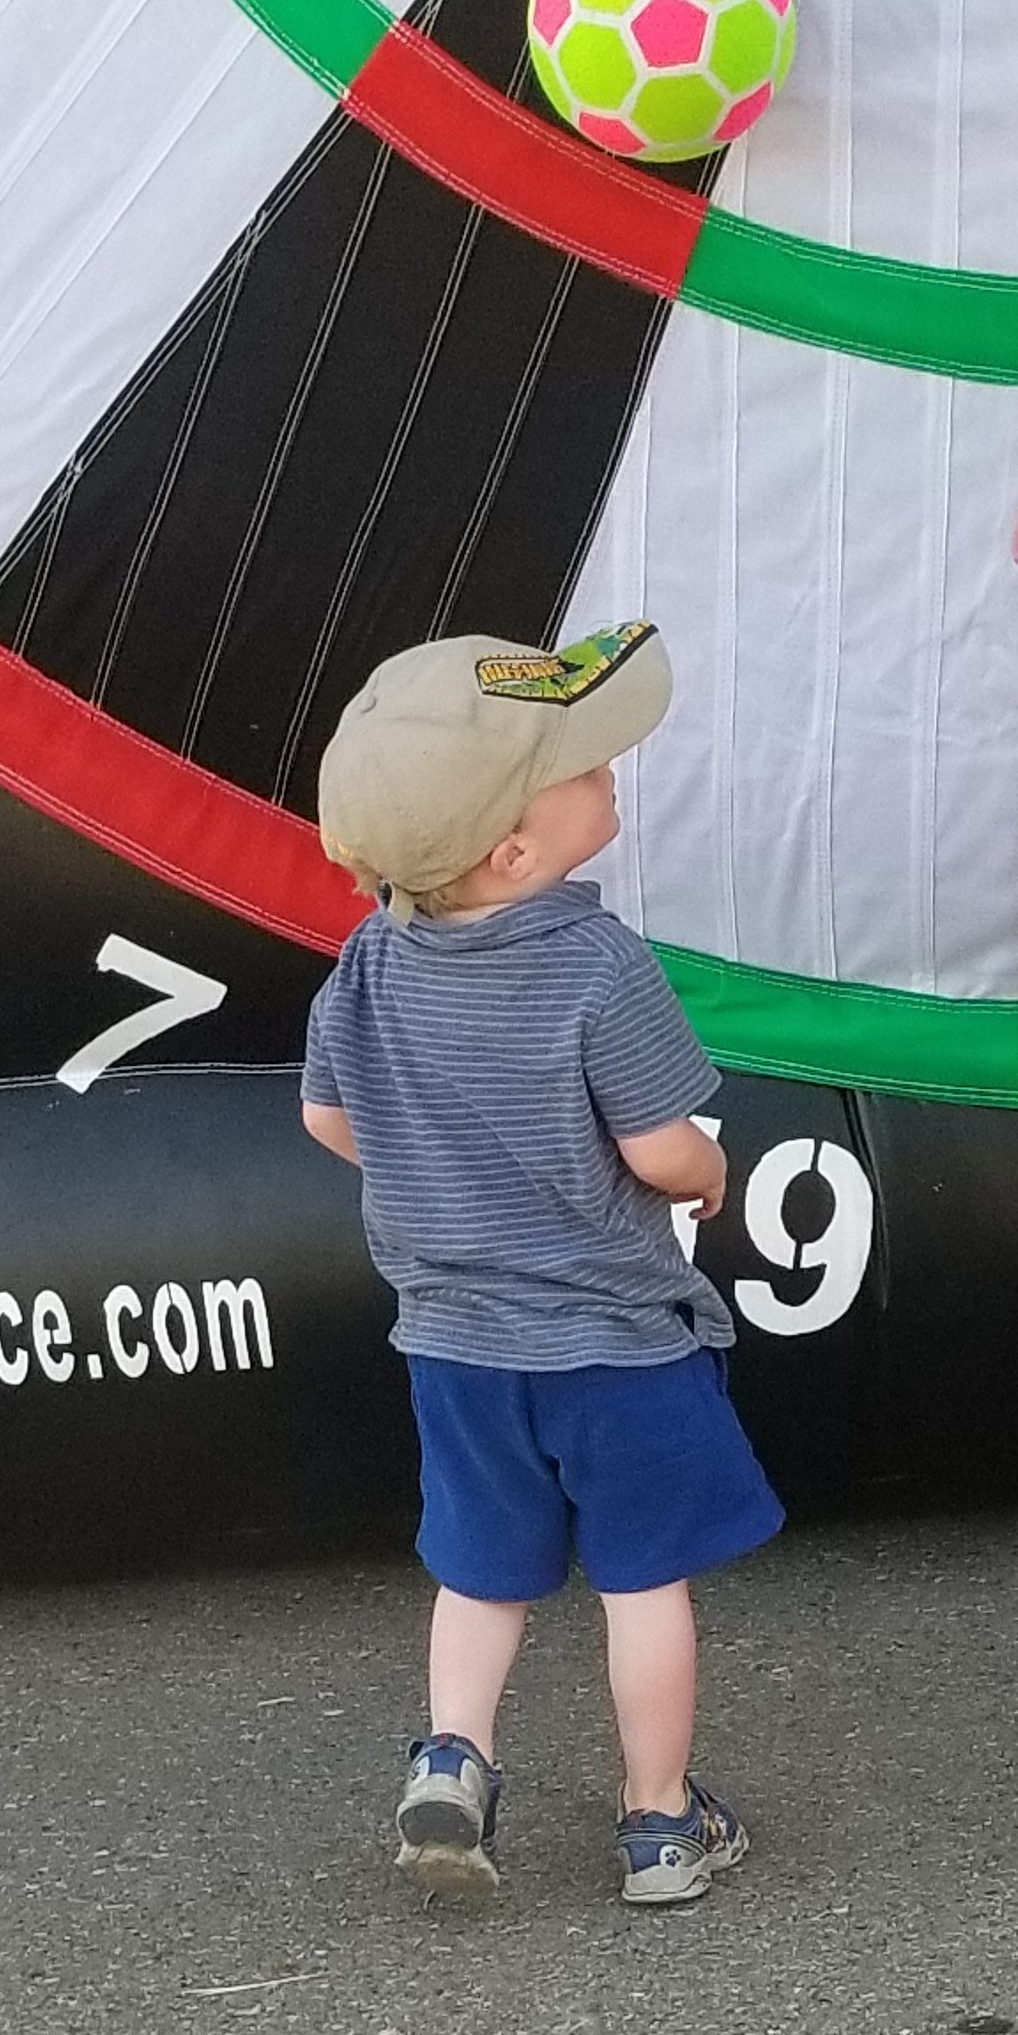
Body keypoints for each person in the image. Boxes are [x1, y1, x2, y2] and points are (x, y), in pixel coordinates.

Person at [300, 625, 781, 1908]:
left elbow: (328, 1122)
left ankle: (455, 1757)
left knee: (481, 1572)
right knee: (641, 1585)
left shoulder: (367, 961)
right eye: (581, 763)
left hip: (454, 1343)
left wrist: (439, 1182)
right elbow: (658, 1147)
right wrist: (710, 1178)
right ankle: (660, 1824)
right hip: (616, 1342)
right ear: (515, 852)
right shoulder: (596, 966)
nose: (608, 765)